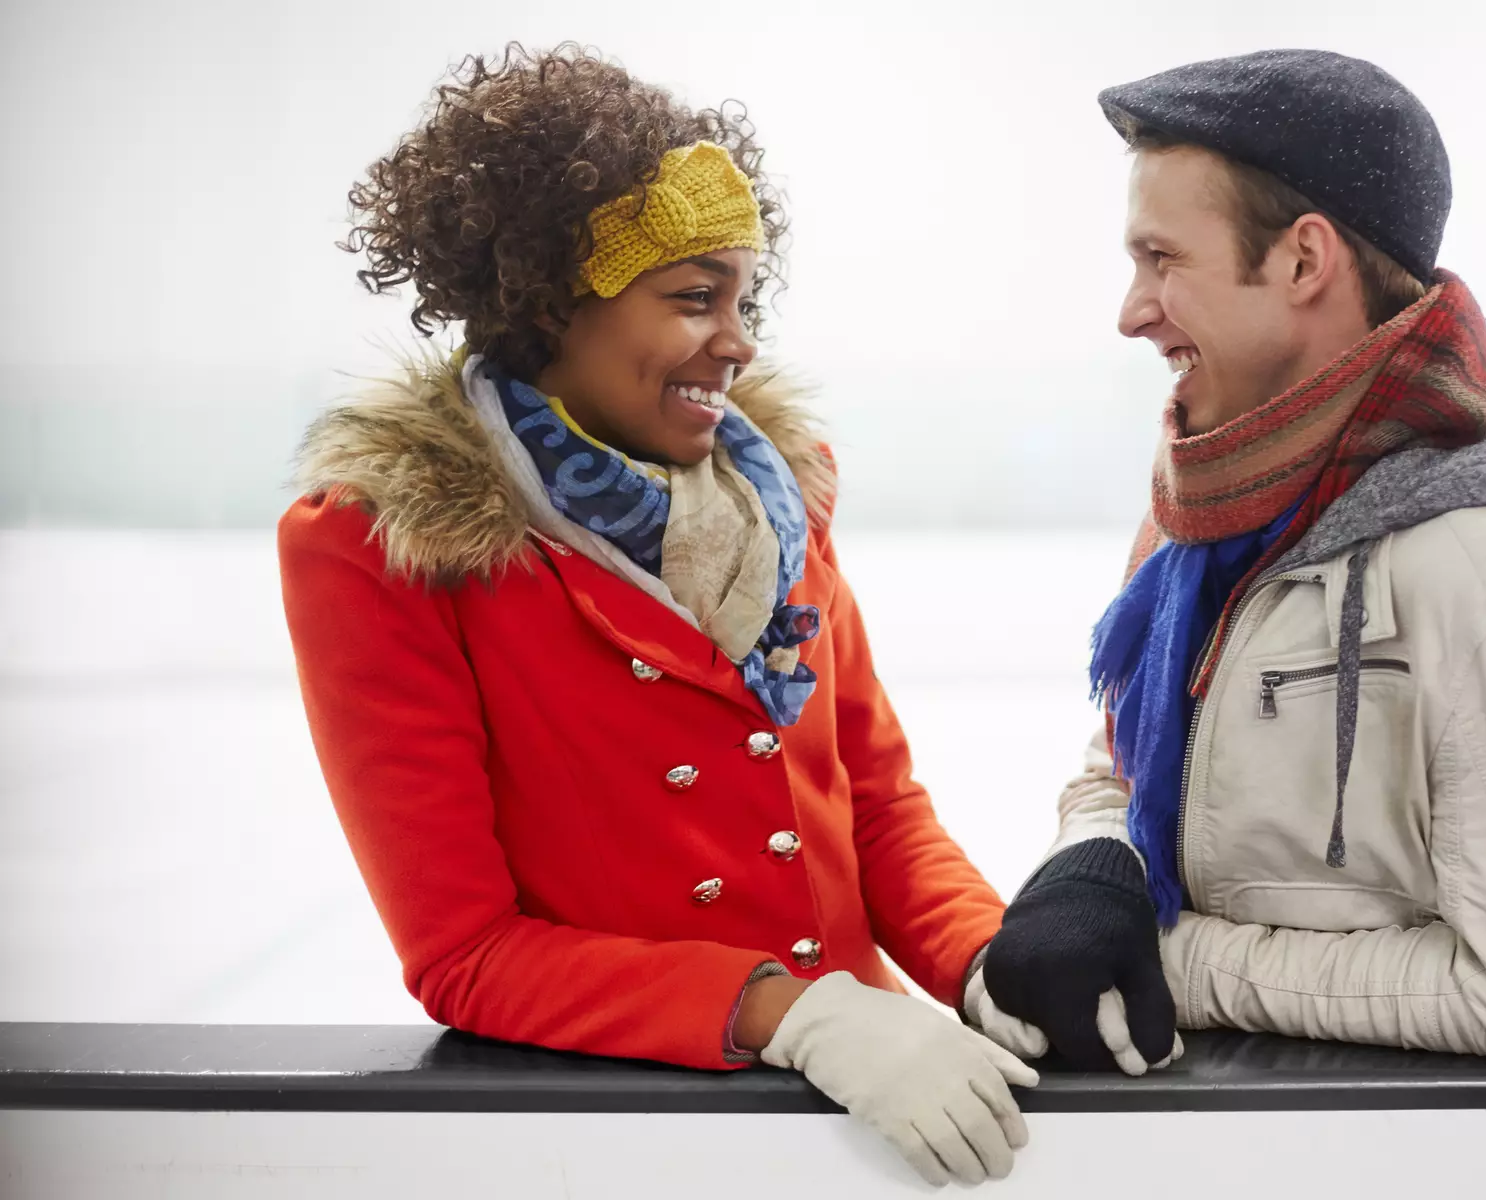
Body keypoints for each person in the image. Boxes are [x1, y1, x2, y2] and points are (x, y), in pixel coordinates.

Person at [279, 44, 1032, 1186]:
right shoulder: (378, 545)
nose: (738, 339)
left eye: (744, 300)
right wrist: (792, 1014)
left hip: (879, 1115)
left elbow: (876, 809)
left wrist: (996, 965)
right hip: (625, 1133)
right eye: (694, 298)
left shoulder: (785, 497)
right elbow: (465, 954)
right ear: (548, 302)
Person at [968, 49, 1486, 1069]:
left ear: (1303, 261)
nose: (1131, 310)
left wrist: (1171, 960)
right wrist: (1091, 865)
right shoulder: (1200, 533)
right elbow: (1130, 762)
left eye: (1162, 259)